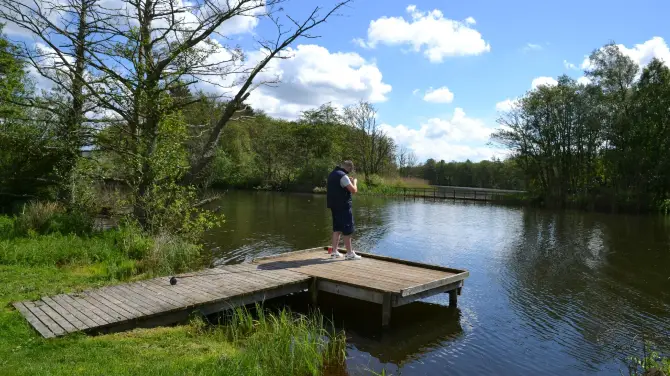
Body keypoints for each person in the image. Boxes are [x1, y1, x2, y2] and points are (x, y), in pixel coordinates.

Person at [326, 160, 361, 260]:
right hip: (343, 207)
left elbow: (338, 187)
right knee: (347, 230)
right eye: (351, 169)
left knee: (336, 229)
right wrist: (354, 182)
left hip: (334, 206)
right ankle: (349, 253)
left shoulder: (332, 174)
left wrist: (347, 180)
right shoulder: (343, 176)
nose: (350, 171)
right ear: (349, 168)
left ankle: (334, 252)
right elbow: (353, 190)